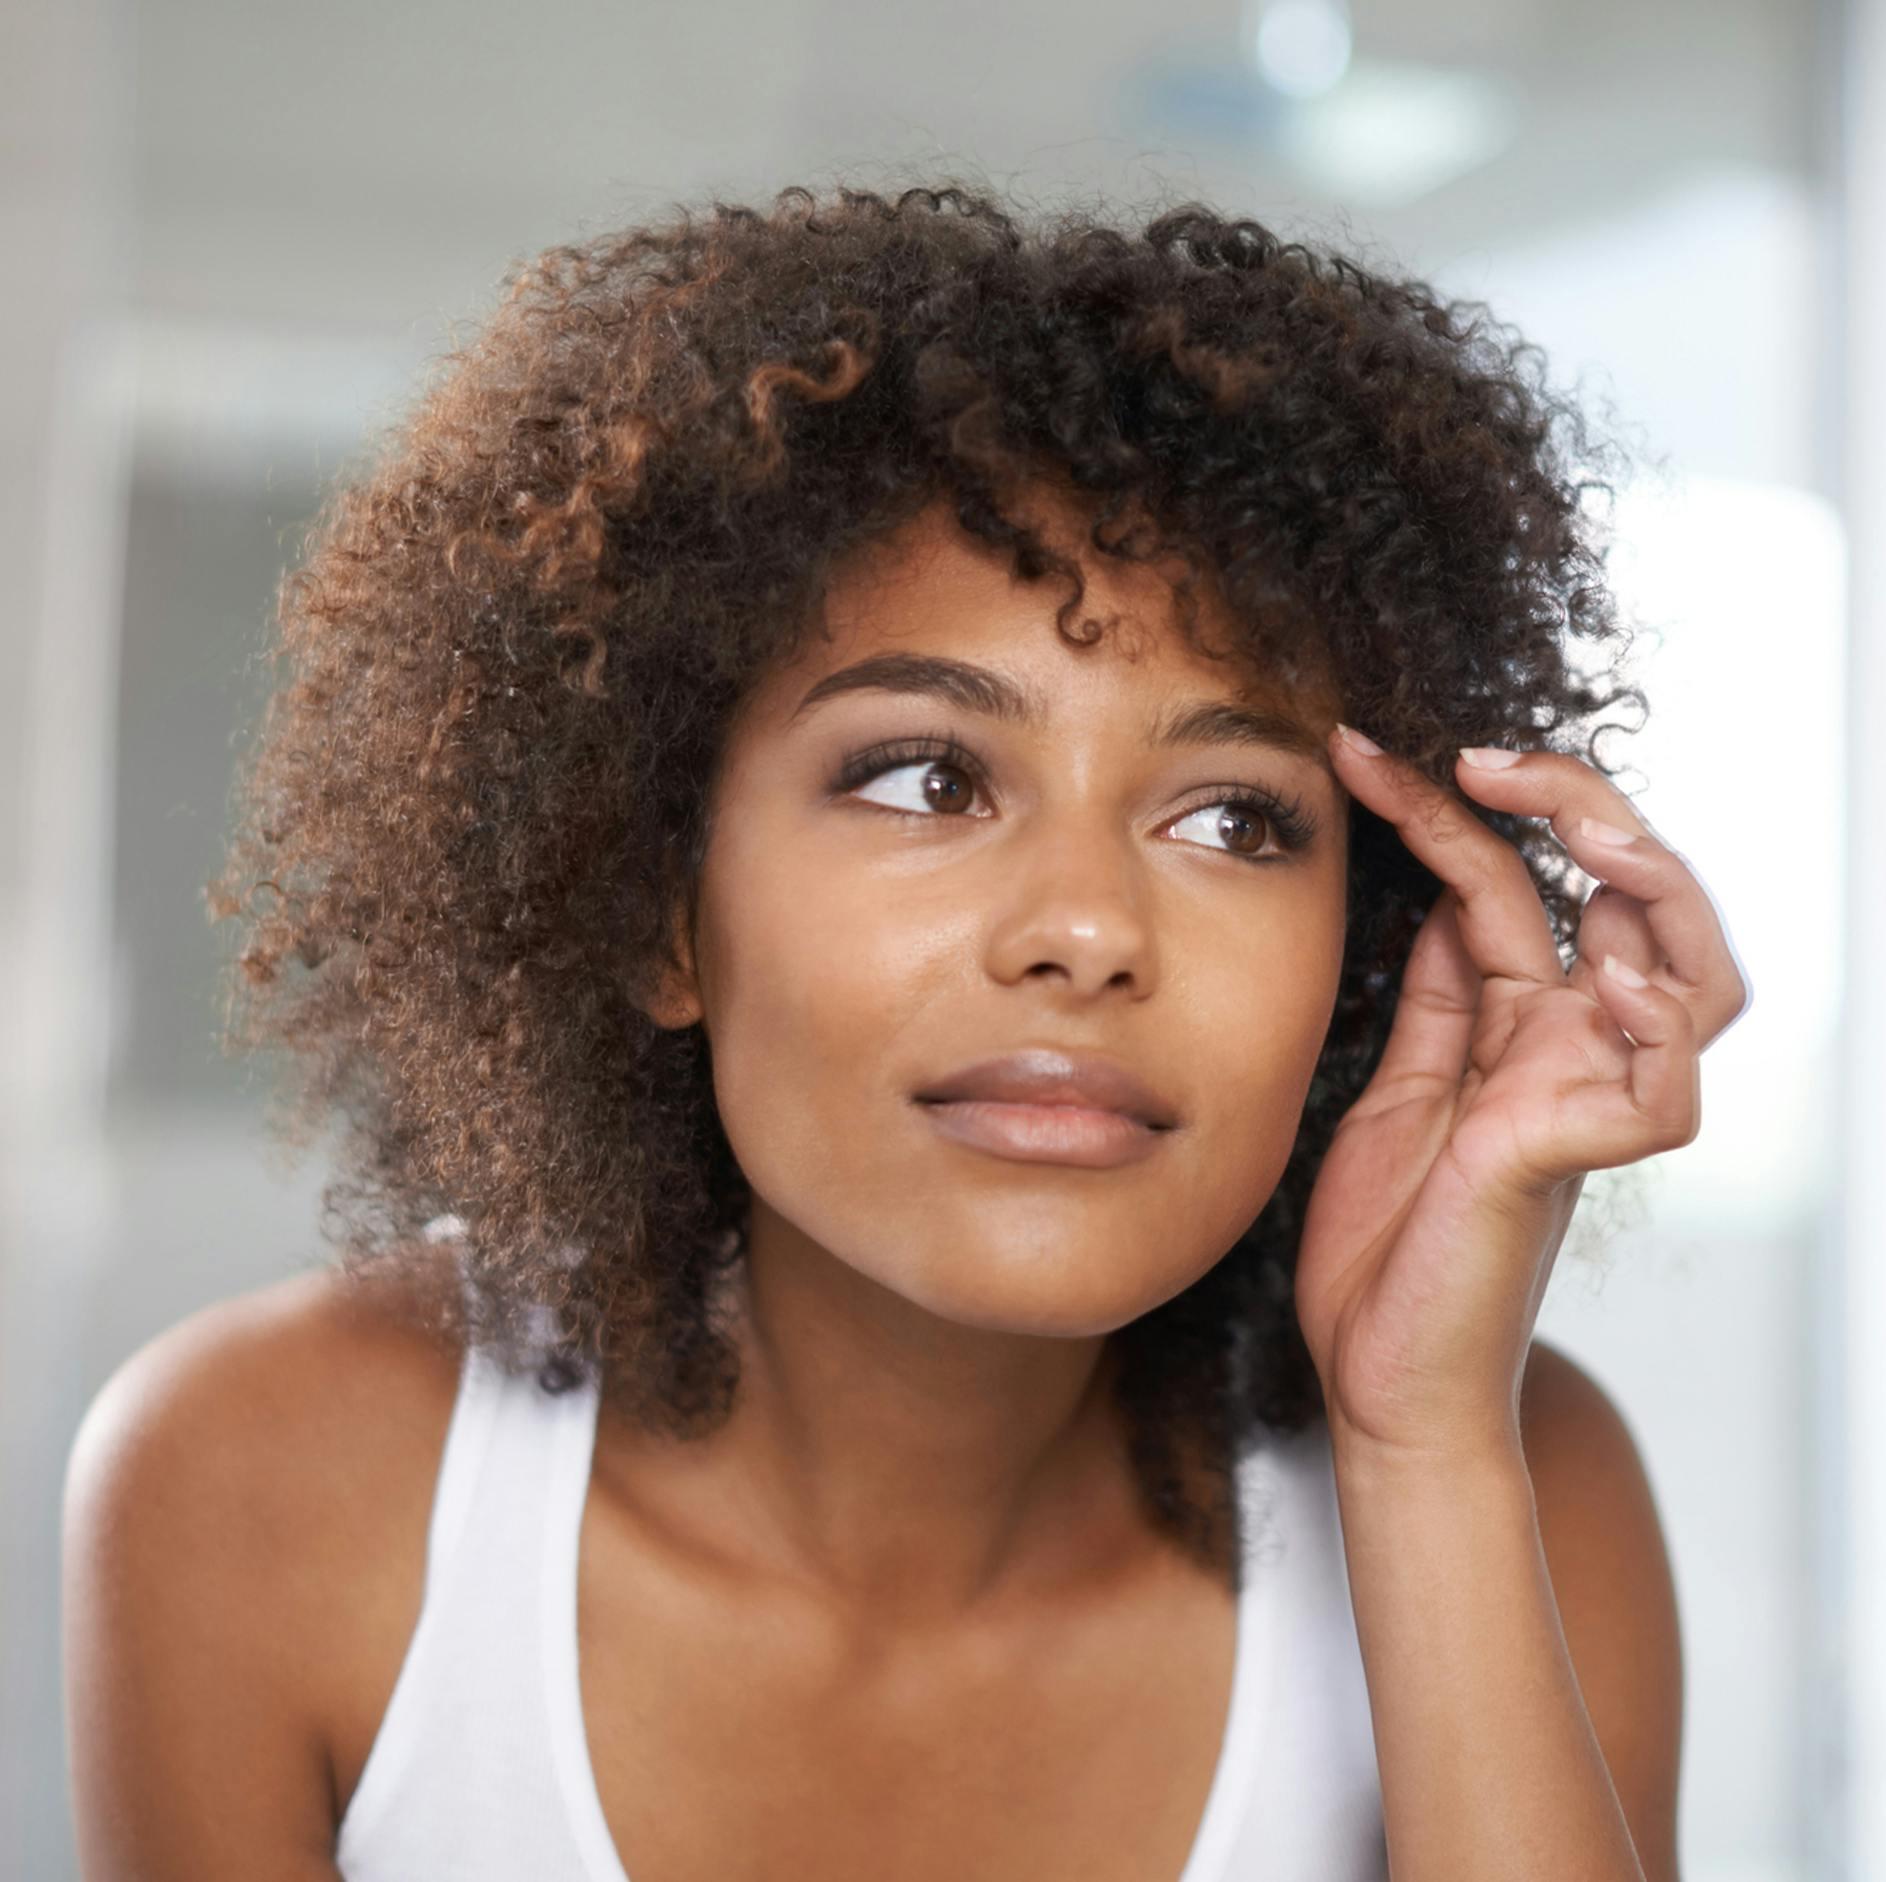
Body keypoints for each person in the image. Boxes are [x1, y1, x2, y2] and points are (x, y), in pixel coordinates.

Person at [62, 179, 1742, 1881]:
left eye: (1233, 818)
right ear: (656, 906)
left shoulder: (1519, 1482)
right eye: (927, 778)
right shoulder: (271, 1480)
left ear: (1365, 951)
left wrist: (1420, 1453)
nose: (1086, 931)